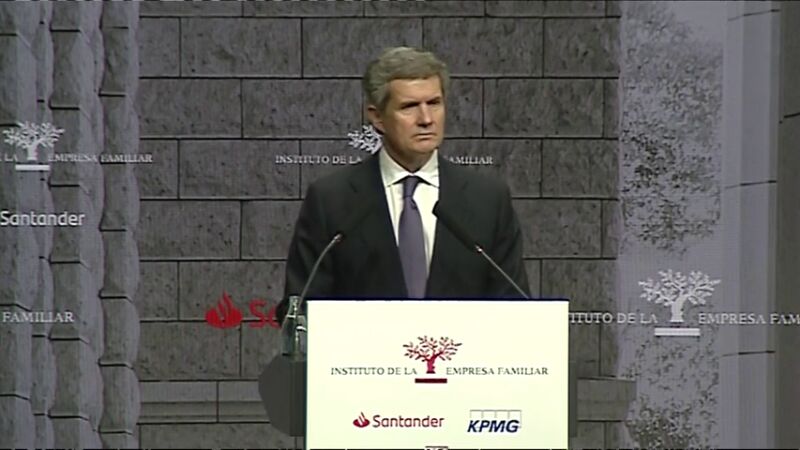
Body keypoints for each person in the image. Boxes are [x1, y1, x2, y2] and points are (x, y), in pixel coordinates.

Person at [277, 47, 529, 323]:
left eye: (434, 103)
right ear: (377, 117)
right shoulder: (332, 200)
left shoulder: (488, 199)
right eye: (409, 107)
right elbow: (302, 308)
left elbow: (514, 307)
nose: (426, 119)